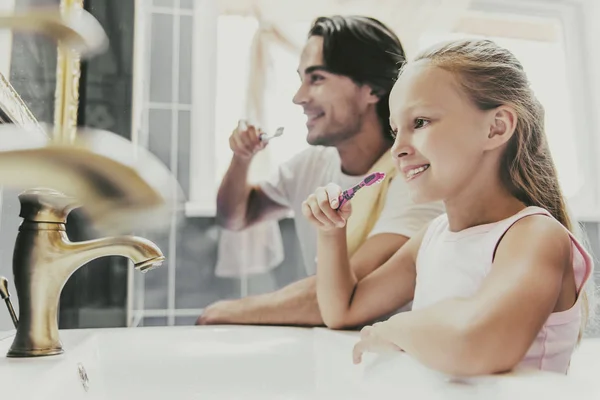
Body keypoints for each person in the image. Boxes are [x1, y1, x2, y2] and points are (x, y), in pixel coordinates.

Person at [305, 38, 594, 375]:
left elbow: (477, 346)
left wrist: (394, 328)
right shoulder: (432, 237)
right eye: (395, 130)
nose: (397, 148)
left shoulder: (534, 235)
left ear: (496, 128)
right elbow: (342, 311)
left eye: (421, 122)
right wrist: (330, 233)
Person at [196, 16, 444, 326]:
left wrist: (227, 312)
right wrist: (241, 159)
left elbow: (342, 290)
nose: (298, 97)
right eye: (301, 79)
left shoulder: (415, 178)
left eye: (317, 79)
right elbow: (235, 217)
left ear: (371, 90)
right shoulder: (311, 164)